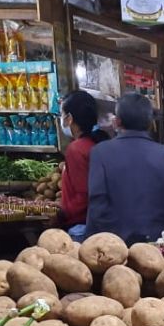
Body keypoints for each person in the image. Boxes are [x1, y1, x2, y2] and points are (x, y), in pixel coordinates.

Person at [86, 93, 164, 243]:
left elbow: (97, 205)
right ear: (150, 122)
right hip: (158, 245)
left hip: (112, 248)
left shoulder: (100, 153)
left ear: (117, 122)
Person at [57, 90, 109, 240]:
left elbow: (84, 195)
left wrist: (61, 214)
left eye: (62, 114)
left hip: (81, 227)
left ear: (69, 118)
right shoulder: (98, 143)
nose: (61, 119)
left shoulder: (77, 149)